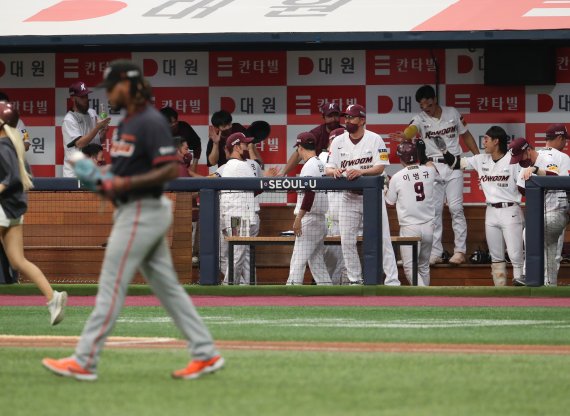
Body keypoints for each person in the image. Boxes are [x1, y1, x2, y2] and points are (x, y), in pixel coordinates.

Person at [42, 60, 223, 381]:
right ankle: (205, 353)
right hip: (136, 209)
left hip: (142, 211)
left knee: (110, 286)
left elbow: (168, 169)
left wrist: (121, 184)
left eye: (113, 86)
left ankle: (84, 360)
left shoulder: (149, 121)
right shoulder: (127, 124)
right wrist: (99, 174)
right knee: (169, 289)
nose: (109, 93)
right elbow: (124, 172)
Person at [390, 85, 480, 265]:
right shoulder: (420, 118)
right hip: (433, 168)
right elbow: (411, 130)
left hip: (454, 165)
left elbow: (467, 135)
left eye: (428, 103)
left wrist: (478, 159)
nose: (425, 108)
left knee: (456, 209)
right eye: (421, 105)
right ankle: (436, 252)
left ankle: (460, 251)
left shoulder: (452, 113)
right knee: (435, 211)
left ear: (434, 99)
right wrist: (405, 136)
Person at [0, 101, 67, 324]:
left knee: (19, 260)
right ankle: (52, 297)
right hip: (14, 208)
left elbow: (9, 179)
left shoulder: (3, 145)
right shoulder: (14, 144)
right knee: (18, 261)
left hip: (4, 206)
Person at [435, 126, 524, 286]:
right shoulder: (480, 159)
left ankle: (521, 289)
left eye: (486, 139)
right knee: (496, 256)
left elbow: (525, 184)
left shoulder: (513, 160)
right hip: (490, 210)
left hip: (510, 209)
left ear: (496, 141)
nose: (483, 142)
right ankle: (500, 292)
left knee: (515, 254)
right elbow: (455, 163)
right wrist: (444, 150)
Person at [325, 104, 399, 285]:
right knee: (347, 241)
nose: (347, 120)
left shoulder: (375, 139)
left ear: (362, 120)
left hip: (372, 197)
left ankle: (392, 281)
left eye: (351, 117)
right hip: (348, 196)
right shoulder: (338, 141)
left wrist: (361, 172)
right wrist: (334, 171)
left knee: (383, 239)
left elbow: (381, 167)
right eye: (347, 117)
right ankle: (355, 280)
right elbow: (328, 168)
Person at [509, 136, 570, 286]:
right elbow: (522, 189)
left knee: (549, 246)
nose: (520, 161)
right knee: (543, 243)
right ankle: (537, 279)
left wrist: (537, 171)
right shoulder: (527, 164)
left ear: (528, 150)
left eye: (520, 156)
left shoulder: (548, 158)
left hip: (559, 209)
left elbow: (556, 179)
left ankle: (542, 280)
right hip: (541, 212)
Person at [384, 140, 435, 286]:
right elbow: (430, 165)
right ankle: (429, 298)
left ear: (401, 159)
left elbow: (389, 201)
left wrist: (386, 186)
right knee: (424, 266)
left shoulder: (398, 177)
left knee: (410, 268)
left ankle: (424, 298)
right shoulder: (429, 171)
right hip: (429, 226)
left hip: (410, 227)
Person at [286, 132, 332, 285]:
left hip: (310, 219)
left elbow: (309, 194)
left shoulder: (310, 165)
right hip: (319, 220)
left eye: (297, 148)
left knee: (297, 261)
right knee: (316, 262)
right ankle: (328, 291)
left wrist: (298, 218)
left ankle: (291, 293)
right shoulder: (319, 163)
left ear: (300, 147)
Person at [219, 132, 257, 284]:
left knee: (240, 253)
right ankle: (229, 285)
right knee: (238, 253)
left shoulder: (228, 166)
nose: (247, 145)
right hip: (238, 217)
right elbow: (258, 187)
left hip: (234, 215)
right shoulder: (240, 165)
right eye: (244, 143)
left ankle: (244, 285)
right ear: (236, 147)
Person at [62, 81, 111, 178]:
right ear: (73, 98)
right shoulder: (69, 119)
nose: (85, 99)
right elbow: (80, 143)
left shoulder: (92, 113)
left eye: (86, 96)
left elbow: (97, 140)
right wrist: (97, 127)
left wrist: (103, 131)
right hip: (75, 174)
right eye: (82, 97)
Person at [318, 127, 348, 284]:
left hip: (345, 209)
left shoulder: (348, 155)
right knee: (331, 257)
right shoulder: (323, 157)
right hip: (330, 212)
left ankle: (344, 290)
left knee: (345, 259)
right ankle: (328, 288)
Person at [280, 102, 342, 176]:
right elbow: (299, 153)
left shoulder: (345, 133)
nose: (333, 119)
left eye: (336, 115)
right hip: (321, 173)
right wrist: (283, 172)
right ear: (323, 117)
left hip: (341, 172)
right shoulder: (316, 133)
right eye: (330, 116)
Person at [160, 106, 201, 173]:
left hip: (183, 169)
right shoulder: (157, 132)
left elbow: (197, 145)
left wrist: (194, 166)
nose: (174, 124)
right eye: (170, 123)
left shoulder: (184, 128)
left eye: (175, 121)